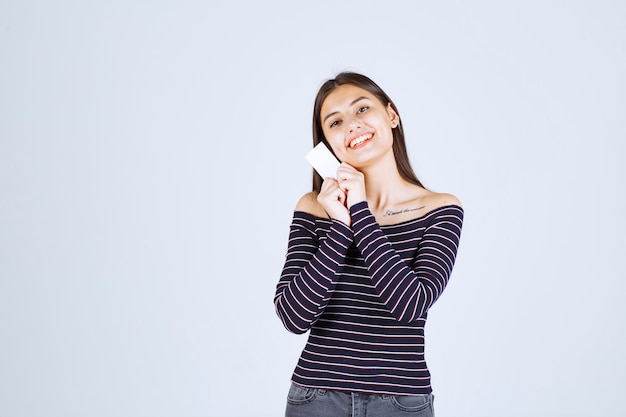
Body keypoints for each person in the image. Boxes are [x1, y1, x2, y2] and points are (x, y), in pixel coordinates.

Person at [273, 72, 464, 417]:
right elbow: (293, 316)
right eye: (335, 122)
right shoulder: (314, 207)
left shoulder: (440, 209)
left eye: (362, 109)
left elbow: (409, 306)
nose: (352, 125)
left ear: (391, 115)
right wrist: (340, 225)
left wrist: (359, 211)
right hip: (315, 398)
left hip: (401, 402)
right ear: (327, 144)